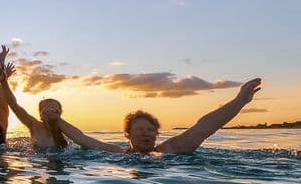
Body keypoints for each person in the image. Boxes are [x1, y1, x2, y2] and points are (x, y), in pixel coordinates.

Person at [47, 78, 263, 154]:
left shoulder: (170, 150)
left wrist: (239, 101)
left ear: (157, 134)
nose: (146, 134)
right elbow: (82, 138)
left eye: (150, 130)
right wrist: (57, 120)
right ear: (127, 134)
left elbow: (204, 127)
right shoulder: (115, 153)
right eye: (140, 130)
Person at [0, 61, 68, 148]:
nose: (49, 111)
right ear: (40, 114)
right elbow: (13, 105)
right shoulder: (34, 126)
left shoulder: (67, 132)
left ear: (60, 113)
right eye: (46, 109)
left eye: (53, 109)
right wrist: (3, 82)